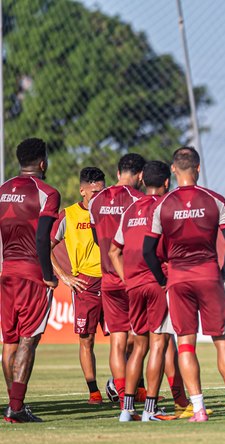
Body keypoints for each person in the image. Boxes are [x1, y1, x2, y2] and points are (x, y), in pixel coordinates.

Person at [143, 146, 225, 422]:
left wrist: (163, 280)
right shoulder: (215, 200)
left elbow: (147, 251)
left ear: (174, 170)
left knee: (186, 345)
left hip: (178, 279)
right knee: (223, 341)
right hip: (209, 275)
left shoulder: (163, 205)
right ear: (199, 169)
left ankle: (199, 409)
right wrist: (223, 272)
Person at [0, 138, 61, 423]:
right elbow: (42, 238)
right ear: (42, 163)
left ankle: (14, 405)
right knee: (28, 339)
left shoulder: (2, 190)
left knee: (9, 341)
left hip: (6, 272)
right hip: (32, 273)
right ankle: (16, 406)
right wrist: (48, 276)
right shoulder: (47, 193)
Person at [110, 160, 176, 421]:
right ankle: (150, 410)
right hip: (158, 282)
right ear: (167, 182)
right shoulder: (167, 207)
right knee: (158, 344)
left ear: (144, 180)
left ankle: (127, 410)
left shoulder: (130, 210)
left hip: (134, 285)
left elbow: (114, 250)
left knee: (139, 347)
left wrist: (127, 279)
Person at [89, 154, 145, 406]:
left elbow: (95, 236)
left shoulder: (96, 200)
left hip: (107, 278)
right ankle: (129, 392)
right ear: (141, 175)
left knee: (118, 339)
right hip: (131, 276)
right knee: (139, 337)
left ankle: (124, 393)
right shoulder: (139, 200)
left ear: (117, 171)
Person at [50, 167, 107, 404]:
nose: (98, 196)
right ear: (82, 190)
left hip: (112, 280)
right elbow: (45, 247)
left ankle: (134, 389)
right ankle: (94, 392)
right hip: (85, 283)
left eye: (101, 191)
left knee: (126, 338)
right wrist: (63, 276)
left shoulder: (109, 212)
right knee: (86, 339)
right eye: (93, 192)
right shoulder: (69, 215)